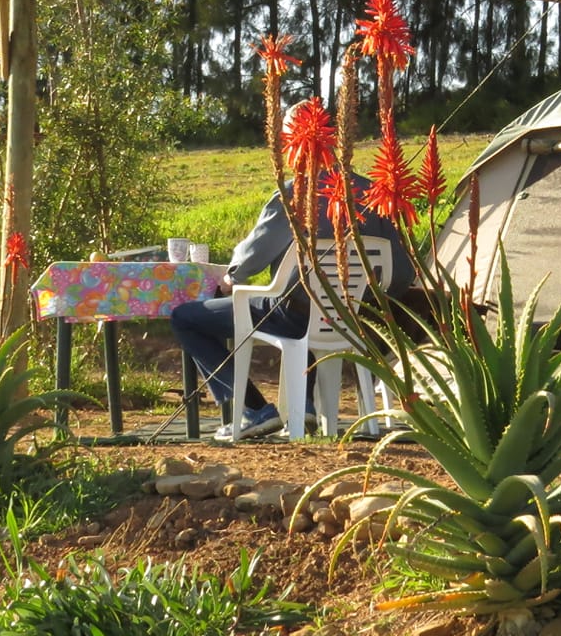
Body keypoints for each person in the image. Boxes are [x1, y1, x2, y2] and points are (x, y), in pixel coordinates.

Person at [170, 109, 414, 441]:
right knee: (301, 303)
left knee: (186, 318)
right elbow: (402, 273)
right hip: (353, 318)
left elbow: (254, 255)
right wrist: (359, 300)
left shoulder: (293, 195)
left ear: (289, 143)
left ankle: (255, 411)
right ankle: (305, 408)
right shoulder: (374, 195)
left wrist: (230, 278)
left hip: (296, 318)